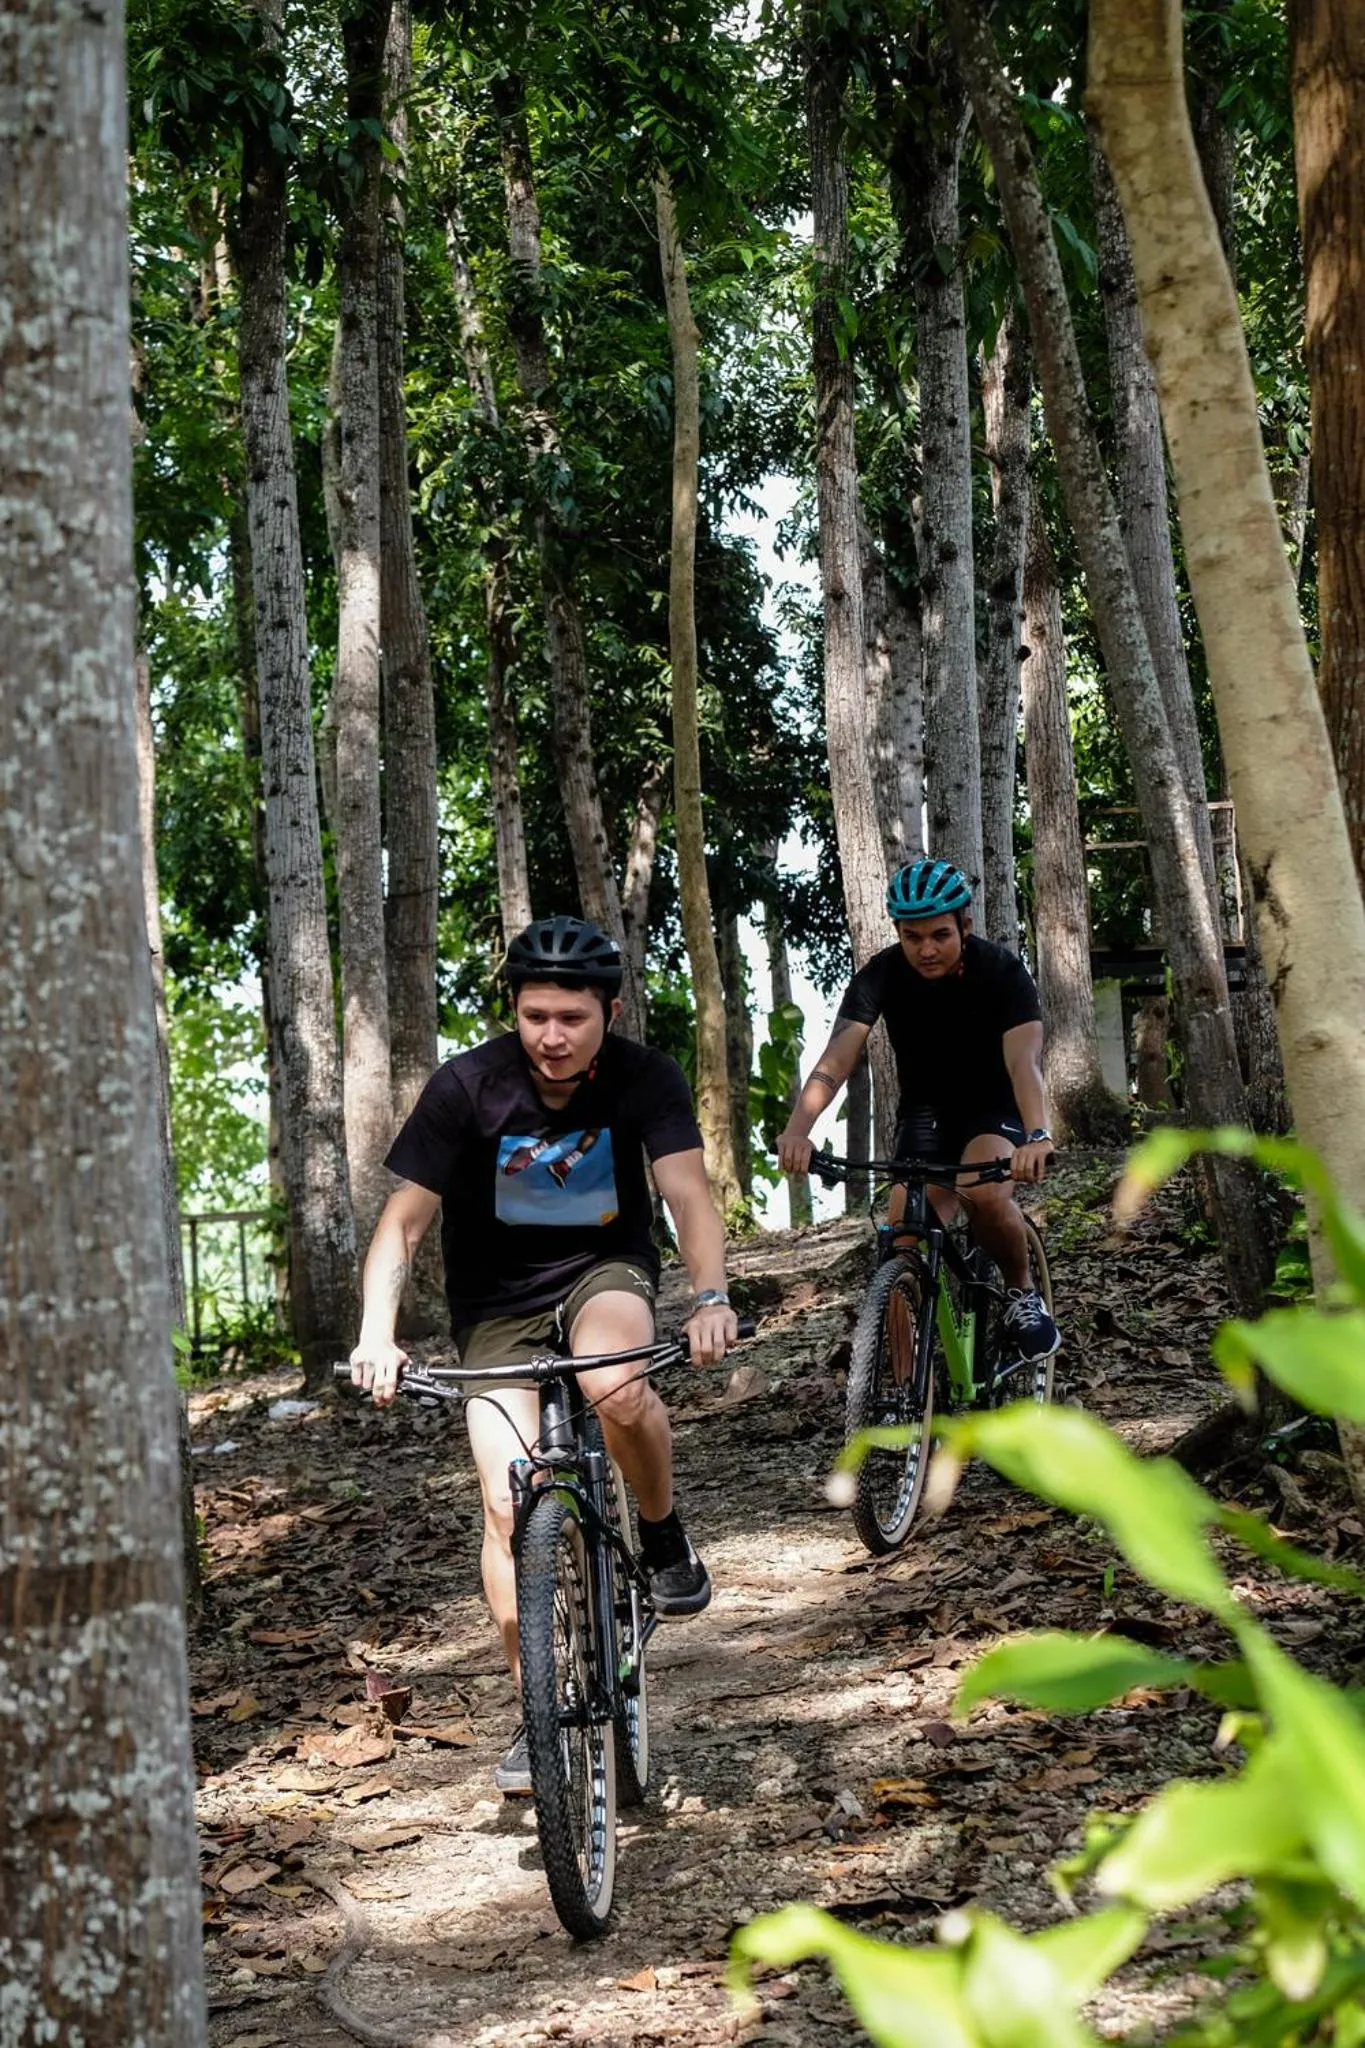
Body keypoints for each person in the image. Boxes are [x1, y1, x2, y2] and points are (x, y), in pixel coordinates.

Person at [350, 914, 739, 1795]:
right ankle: (540, 1709)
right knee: (503, 1500)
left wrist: (710, 1296)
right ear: (513, 1013)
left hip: (602, 1273)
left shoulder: (647, 1077)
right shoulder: (467, 1087)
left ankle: (662, 1532)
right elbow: (401, 1225)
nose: (551, 1037)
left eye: (571, 1017)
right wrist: (376, 1332)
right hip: (495, 1306)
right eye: (534, 1017)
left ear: (608, 1009)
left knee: (618, 1387)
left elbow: (686, 1193)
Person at [776, 858, 1060, 1362]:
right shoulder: (881, 975)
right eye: (912, 937)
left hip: (992, 1109)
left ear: (964, 927)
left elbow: (1024, 1063)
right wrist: (799, 1130)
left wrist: (1037, 1134)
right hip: (925, 1117)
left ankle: (1020, 1291)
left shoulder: (1003, 973)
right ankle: (908, 1396)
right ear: (898, 934)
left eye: (939, 935)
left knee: (985, 1194)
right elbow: (837, 1058)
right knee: (901, 1237)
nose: (926, 949)